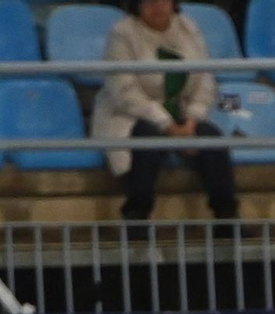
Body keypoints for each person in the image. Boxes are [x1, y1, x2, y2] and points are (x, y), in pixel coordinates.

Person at [91, 0, 238, 224]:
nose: (157, 6)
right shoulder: (122, 33)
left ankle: (227, 219)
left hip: (182, 111)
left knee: (211, 139)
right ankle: (136, 219)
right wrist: (166, 124)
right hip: (131, 114)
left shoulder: (188, 27)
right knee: (146, 138)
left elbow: (205, 80)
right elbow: (124, 91)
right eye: (148, 1)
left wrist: (192, 118)